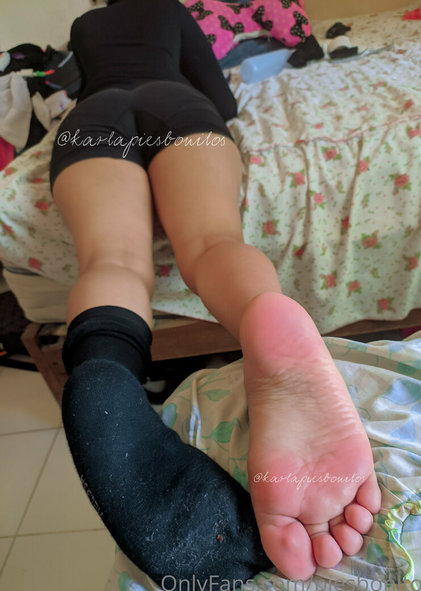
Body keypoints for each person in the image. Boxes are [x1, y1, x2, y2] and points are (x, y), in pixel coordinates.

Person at [50, 0, 381, 583]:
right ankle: (260, 320)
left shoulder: (84, 23)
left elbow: (79, 80)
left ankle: (108, 374)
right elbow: (220, 96)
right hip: (176, 106)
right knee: (210, 242)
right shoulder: (169, 9)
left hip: (92, 117)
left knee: (112, 259)